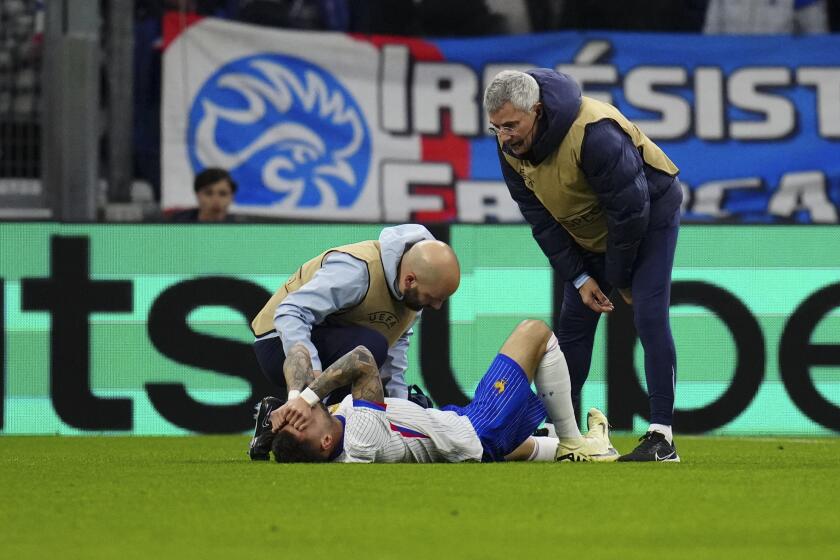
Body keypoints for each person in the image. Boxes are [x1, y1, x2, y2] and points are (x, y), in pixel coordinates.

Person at [484, 69, 682, 462]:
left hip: (647, 217)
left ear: (536, 111)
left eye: (511, 125)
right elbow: (539, 218)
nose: (505, 137)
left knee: (648, 314)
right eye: (496, 129)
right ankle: (565, 437)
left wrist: (614, 277)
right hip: (589, 229)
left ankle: (663, 438)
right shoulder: (509, 147)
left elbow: (630, 212)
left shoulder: (595, 133)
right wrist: (578, 275)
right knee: (572, 329)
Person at [264, 319, 620, 464]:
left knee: (525, 446)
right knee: (535, 332)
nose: (301, 412)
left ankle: (590, 448)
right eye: (301, 421)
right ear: (325, 443)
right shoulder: (358, 442)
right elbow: (362, 361)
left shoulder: (332, 427)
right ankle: (576, 442)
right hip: (477, 429)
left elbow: (296, 352)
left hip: (451, 428)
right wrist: (307, 398)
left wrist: (294, 396)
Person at [248, 224, 460, 460]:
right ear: (410, 279)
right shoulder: (357, 270)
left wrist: (399, 409)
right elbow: (290, 313)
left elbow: (394, 357)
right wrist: (314, 381)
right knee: (368, 349)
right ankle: (294, 414)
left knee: (370, 370)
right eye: (433, 298)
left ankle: (276, 421)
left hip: (335, 345)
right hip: (279, 342)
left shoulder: (414, 294)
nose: (436, 306)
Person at [170, 167, 237, 222]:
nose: (216, 200)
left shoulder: (241, 228)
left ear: (232, 197)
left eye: (223, 194)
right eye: (208, 193)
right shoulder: (177, 224)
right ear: (197, 195)